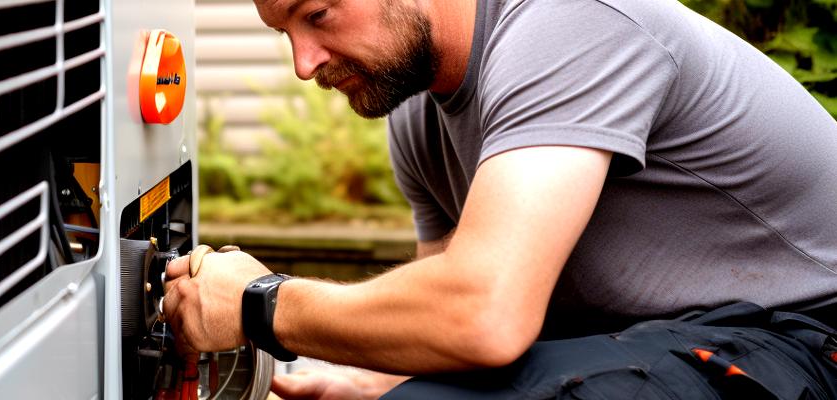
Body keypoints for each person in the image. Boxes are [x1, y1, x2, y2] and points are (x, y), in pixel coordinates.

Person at [163, 0, 837, 398]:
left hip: (810, 333)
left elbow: (483, 315)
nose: (304, 63)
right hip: (677, 338)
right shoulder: (418, 119)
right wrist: (377, 379)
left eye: (316, 14)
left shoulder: (569, 22)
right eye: (285, 34)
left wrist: (260, 303)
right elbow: (445, 327)